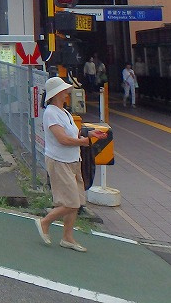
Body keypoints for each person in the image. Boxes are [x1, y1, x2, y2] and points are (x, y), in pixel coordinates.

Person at [34, 76, 107, 252]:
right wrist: (84, 142)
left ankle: (67, 237)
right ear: (57, 93)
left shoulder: (64, 112)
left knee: (77, 200)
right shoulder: (51, 112)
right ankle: (44, 222)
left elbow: (72, 135)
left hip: (73, 160)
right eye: (64, 90)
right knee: (71, 202)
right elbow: (63, 139)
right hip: (59, 161)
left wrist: (89, 135)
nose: (67, 93)